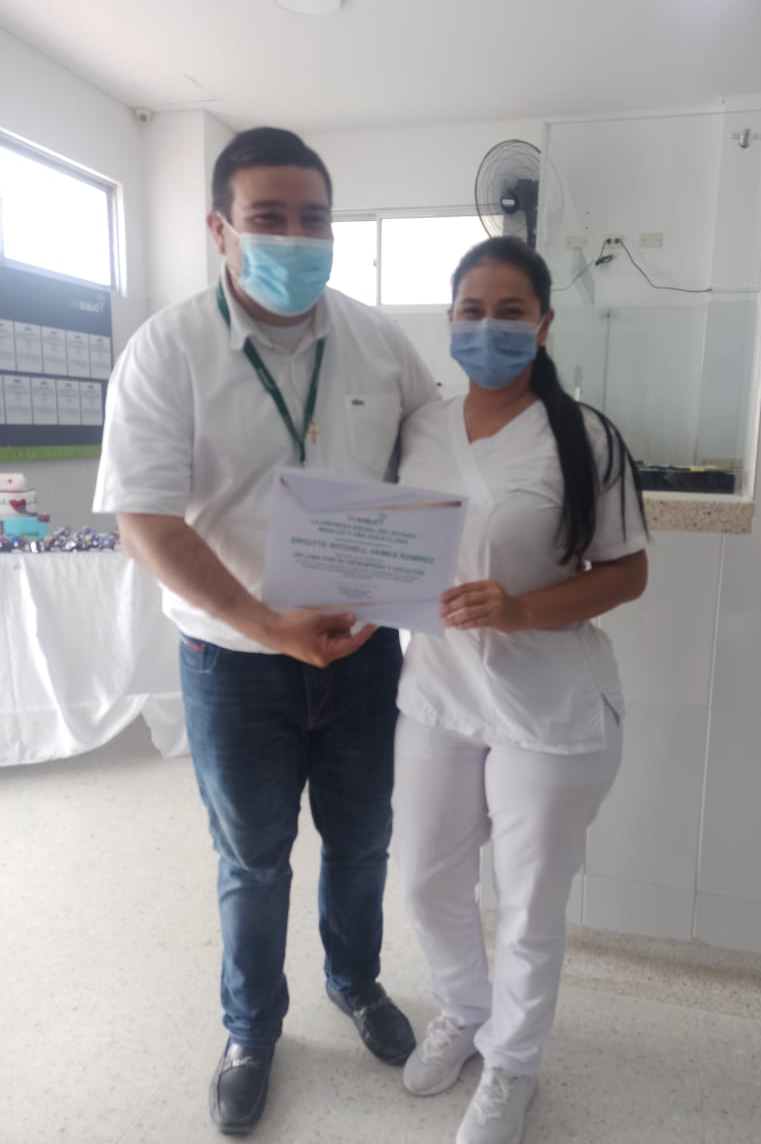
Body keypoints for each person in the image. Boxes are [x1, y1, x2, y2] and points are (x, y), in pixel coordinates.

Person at [93, 127, 438, 1135]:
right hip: (234, 662)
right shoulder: (167, 351)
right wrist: (263, 622)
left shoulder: (380, 343)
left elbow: (432, 458)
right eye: (268, 218)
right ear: (220, 229)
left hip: (364, 654)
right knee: (253, 858)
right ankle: (252, 1030)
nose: (295, 236)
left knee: (363, 840)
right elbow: (145, 520)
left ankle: (355, 981)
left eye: (313, 218)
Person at [393, 236, 649, 1144]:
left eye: (511, 312)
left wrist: (521, 610)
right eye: (472, 310)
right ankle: (465, 1011)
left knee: (528, 902)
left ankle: (512, 1064)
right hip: (438, 692)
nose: (489, 328)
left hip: (546, 705)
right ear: (449, 319)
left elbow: (627, 574)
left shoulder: (583, 438)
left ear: (543, 325)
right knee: (426, 878)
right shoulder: (417, 429)